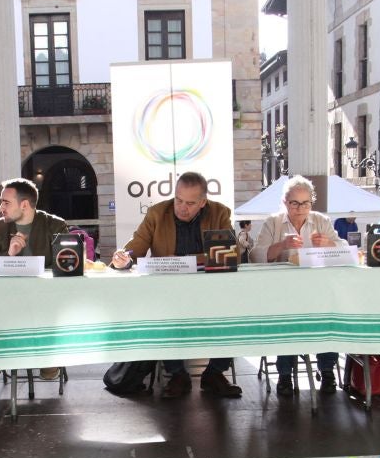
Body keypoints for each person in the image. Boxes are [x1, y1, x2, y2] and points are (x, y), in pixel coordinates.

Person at [112, 171, 242, 399]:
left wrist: (192, 261)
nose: (182, 207)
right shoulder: (156, 213)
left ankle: (214, 373)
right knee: (160, 315)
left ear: (203, 202)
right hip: (168, 292)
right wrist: (124, 258)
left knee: (234, 312)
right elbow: (135, 248)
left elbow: (230, 256)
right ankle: (177, 374)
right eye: (178, 200)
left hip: (209, 290)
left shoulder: (220, 212)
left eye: (190, 203)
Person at [249, 175, 340, 395]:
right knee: (286, 322)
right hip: (284, 292)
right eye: (294, 203)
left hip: (318, 289)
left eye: (305, 203)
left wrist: (328, 244)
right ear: (284, 202)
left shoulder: (321, 221)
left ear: (312, 202)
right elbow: (255, 255)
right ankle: (284, 374)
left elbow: (342, 250)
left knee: (329, 318)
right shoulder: (273, 222)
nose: (300, 208)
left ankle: (327, 370)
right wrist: (282, 245)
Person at [0, 177, 69, 382]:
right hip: (5, 298)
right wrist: (10, 256)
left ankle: (48, 358)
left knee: (49, 304)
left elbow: (64, 264)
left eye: (6, 202)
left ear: (25, 205)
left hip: (44, 297)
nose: (0, 207)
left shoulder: (54, 225)